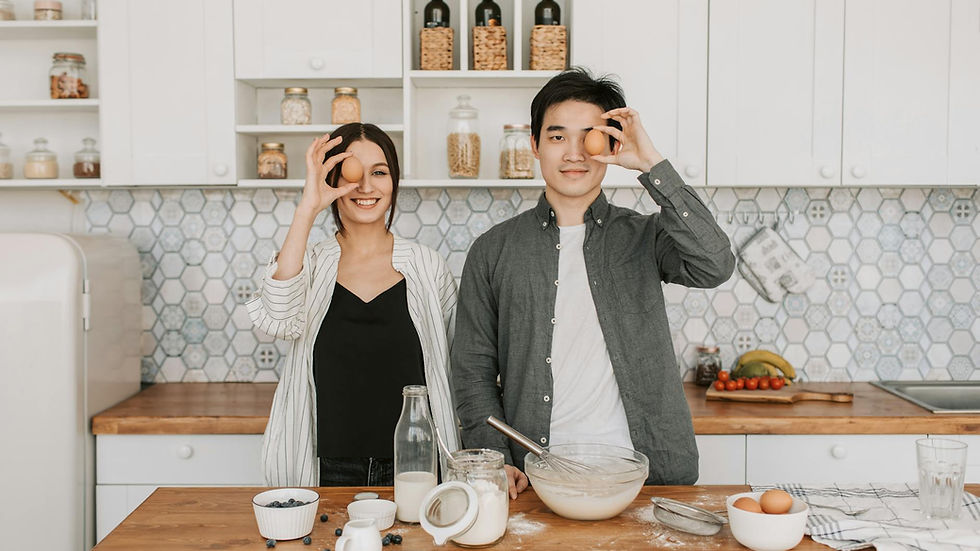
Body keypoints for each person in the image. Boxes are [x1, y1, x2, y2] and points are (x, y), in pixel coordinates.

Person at [451, 68, 736, 498]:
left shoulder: (645, 236)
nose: (574, 154)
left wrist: (651, 165)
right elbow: (472, 372)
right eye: (557, 136)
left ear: (611, 145)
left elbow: (715, 263)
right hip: (537, 479)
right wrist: (495, 458)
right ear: (534, 145)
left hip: (643, 477)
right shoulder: (493, 250)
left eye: (590, 136)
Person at [247, 123, 460, 486]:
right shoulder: (309, 264)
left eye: (379, 172)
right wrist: (308, 205)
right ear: (332, 180)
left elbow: (454, 362)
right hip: (325, 466)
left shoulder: (428, 266)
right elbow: (277, 318)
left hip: (416, 464)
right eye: (351, 173)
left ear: (394, 181)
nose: (365, 186)